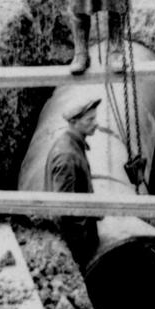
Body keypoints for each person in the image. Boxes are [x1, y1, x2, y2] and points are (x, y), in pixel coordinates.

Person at [44, 96, 101, 265]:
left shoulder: (73, 145)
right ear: (74, 122)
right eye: (90, 119)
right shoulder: (67, 156)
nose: (96, 123)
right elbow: (63, 209)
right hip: (77, 245)